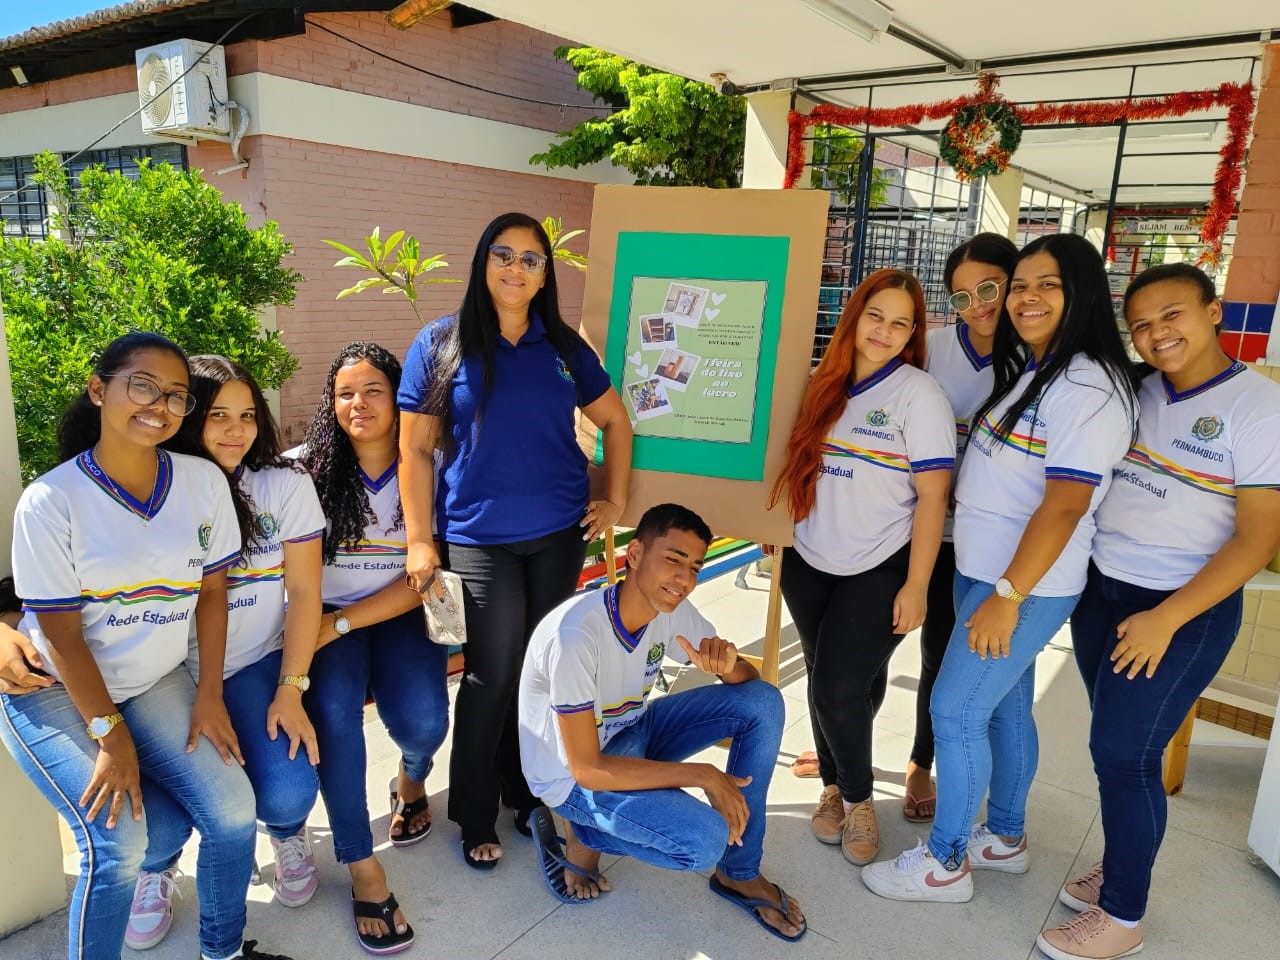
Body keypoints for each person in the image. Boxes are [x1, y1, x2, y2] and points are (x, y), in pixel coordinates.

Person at [863, 233, 1138, 903]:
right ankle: (1006, 837)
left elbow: (1067, 503)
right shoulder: (1040, 368)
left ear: (1082, 293)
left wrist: (1009, 594)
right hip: (987, 572)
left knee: (954, 712)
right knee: (1005, 711)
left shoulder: (1088, 385)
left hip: (1021, 584)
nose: (1026, 297)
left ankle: (945, 861)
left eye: (1047, 284)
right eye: (1020, 285)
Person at [0, 332, 292, 960]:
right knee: (117, 846)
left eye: (177, 396)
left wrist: (209, 694)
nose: (159, 403)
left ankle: (224, 951)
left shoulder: (200, 482)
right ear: (98, 388)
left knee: (235, 811)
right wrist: (112, 735)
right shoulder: (51, 501)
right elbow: (59, 632)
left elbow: (213, 596)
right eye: (142, 384)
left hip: (157, 679)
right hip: (54, 691)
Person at [1036, 263, 1280, 960]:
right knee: (1113, 748)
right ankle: (1121, 869)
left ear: (1213, 311)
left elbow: (1259, 538)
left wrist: (1167, 617)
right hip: (1104, 593)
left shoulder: (1257, 408)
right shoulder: (1136, 393)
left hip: (1180, 609)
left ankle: (1122, 917)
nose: (1155, 334)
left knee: (1126, 755)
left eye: (1171, 314)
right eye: (1140, 324)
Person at [398, 212, 632, 868]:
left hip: (559, 534)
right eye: (504, 254)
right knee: (490, 675)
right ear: (482, 261)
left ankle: (527, 794)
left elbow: (615, 420)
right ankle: (474, 814)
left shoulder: (561, 345)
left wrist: (613, 497)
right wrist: (421, 540)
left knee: (538, 671)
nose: (516, 268)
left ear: (544, 274)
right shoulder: (441, 343)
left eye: (531, 259)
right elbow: (414, 450)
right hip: (479, 539)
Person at [517, 503, 806, 942]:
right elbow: (588, 769)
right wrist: (704, 775)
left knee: (764, 703)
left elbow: (750, 689)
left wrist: (727, 665)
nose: (684, 580)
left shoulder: (671, 610)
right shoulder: (577, 636)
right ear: (634, 555)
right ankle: (582, 831)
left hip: (634, 732)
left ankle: (739, 873)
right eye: (673, 560)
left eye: (694, 566)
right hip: (572, 776)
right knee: (702, 842)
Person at [123, 356, 326, 949]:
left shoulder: (282, 487)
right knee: (151, 829)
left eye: (246, 415)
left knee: (288, 788)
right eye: (217, 416)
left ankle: (287, 834)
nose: (236, 431)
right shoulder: (151, 488)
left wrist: (291, 686)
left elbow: (306, 590)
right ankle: (157, 871)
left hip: (253, 663)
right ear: (186, 419)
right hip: (166, 678)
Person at [769, 269, 954, 867]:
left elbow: (932, 498)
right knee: (839, 680)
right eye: (877, 316)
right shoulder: (822, 382)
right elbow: (788, 463)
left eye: (902, 322)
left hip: (878, 563)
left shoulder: (917, 394)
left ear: (913, 334)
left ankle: (858, 801)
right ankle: (831, 785)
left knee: (836, 688)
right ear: (855, 316)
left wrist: (919, 584)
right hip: (807, 559)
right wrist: (775, 531)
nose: (886, 331)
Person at [297, 341, 450, 955]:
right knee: (334, 718)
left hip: (393, 613)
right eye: (344, 393)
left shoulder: (432, 466)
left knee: (425, 723)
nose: (357, 404)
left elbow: (423, 582)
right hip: (325, 618)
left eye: (373, 391)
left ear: (399, 396)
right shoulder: (303, 470)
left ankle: (411, 783)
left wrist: (339, 626)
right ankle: (362, 866)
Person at [904, 233, 1019, 822]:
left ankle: (921, 763)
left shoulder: (1035, 358)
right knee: (876, 643)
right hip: (916, 524)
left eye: (990, 289)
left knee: (944, 654)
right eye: (962, 295)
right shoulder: (930, 348)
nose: (978, 305)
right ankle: (839, 758)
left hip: (984, 540)